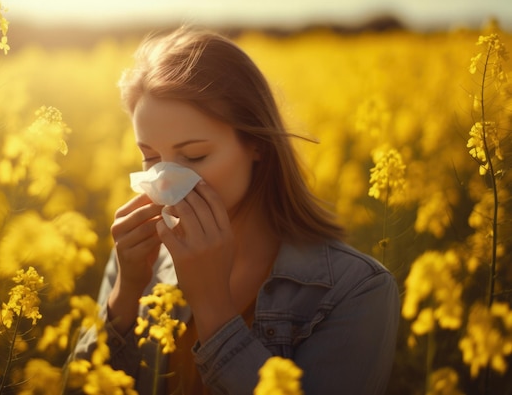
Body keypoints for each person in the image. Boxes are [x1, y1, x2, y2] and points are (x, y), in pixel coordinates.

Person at [72, 27, 399, 395]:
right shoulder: (136, 261)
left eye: (194, 156)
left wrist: (213, 308)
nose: (163, 180)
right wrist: (126, 293)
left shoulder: (355, 290)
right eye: (150, 157)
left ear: (256, 145)